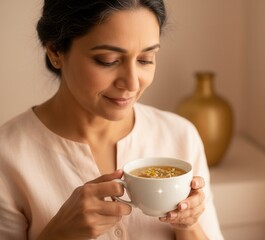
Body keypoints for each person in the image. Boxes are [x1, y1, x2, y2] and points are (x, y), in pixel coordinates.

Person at [0, 0, 224, 239]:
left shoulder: (180, 136)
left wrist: (187, 225)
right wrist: (58, 234)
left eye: (145, 59)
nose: (132, 83)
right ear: (55, 51)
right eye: (108, 60)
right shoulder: (8, 156)